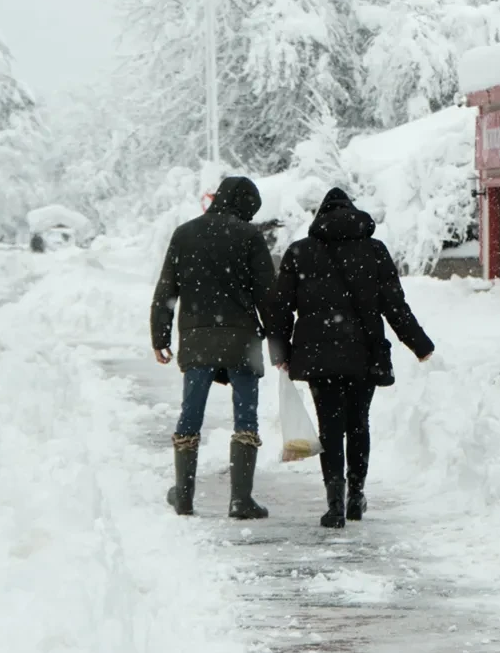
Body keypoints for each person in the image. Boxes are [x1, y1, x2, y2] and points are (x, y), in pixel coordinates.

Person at [266, 187, 434, 529]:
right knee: (358, 423)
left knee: (330, 427)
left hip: (318, 356)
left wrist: (280, 351)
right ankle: (356, 494)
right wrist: (420, 344)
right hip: (364, 352)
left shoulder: (300, 252)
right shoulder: (374, 251)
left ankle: (334, 504)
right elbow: (394, 305)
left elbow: (280, 308)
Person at [151, 176, 276, 519]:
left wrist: (160, 336)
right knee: (246, 417)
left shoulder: (185, 233)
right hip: (242, 340)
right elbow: (268, 295)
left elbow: (166, 290)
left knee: (191, 413)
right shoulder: (249, 236)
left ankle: (184, 495)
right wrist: (279, 342)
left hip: (197, 339)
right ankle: (241, 500)